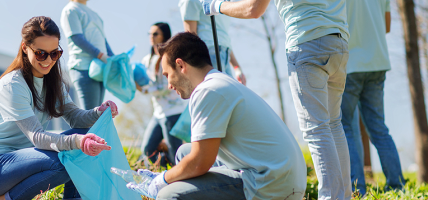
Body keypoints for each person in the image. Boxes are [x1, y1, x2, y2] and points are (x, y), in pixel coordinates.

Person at [127, 32, 306, 199]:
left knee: (169, 196)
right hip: (280, 173)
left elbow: (200, 162)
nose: (169, 85)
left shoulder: (208, 91)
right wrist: (168, 177)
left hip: (270, 182)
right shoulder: (220, 82)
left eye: (168, 75)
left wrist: (163, 179)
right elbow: (197, 156)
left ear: (181, 65)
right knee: (184, 152)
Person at [204, 0, 351, 199]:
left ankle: (332, 197)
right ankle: (344, 195)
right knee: (333, 124)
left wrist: (217, 6)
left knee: (317, 129)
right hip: (338, 42)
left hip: (307, 42)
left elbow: (253, 9)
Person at [0, 16, 118, 200]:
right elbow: (37, 137)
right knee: (68, 159)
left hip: (26, 160)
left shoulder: (52, 82)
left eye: (54, 53)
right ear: (25, 47)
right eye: (41, 53)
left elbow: (75, 117)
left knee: (87, 134)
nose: (48, 60)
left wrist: (98, 112)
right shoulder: (13, 85)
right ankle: (8, 198)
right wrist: (79, 142)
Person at [342, 0, 404, 195]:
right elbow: (386, 26)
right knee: (379, 129)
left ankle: (357, 190)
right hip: (378, 61)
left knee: (346, 128)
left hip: (350, 64)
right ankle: (397, 187)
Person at [137, 22, 186, 167]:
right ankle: (169, 173)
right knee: (147, 150)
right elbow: (144, 80)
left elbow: (167, 86)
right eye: (150, 34)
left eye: (155, 34)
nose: (151, 37)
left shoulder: (170, 57)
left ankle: (182, 178)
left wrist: (145, 90)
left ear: (164, 35)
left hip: (173, 111)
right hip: (158, 113)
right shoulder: (147, 59)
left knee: (176, 152)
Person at [60, 0, 115, 110]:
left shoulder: (94, 14)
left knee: (98, 115)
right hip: (83, 67)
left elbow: (103, 41)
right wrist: (100, 55)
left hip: (101, 68)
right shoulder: (70, 10)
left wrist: (114, 58)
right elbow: (76, 38)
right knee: (91, 116)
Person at [178, 0, 245, 85]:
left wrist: (237, 67)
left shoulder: (222, 2)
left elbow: (222, 38)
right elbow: (190, 38)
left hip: (224, 53)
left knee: (228, 95)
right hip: (208, 53)